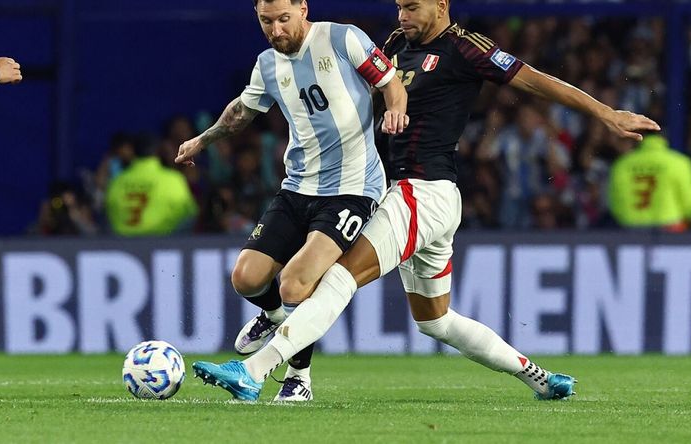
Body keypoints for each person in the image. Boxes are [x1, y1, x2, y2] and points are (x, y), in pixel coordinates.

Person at [192, 0, 661, 402]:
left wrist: (605, 113)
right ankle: (538, 378)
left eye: (413, 6)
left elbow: (534, 80)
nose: (403, 15)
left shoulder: (466, 48)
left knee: (337, 276)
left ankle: (254, 373)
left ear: (442, 4)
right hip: (410, 195)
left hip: (423, 190)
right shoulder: (398, 44)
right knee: (435, 321)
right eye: (399, 6)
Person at [174, 0, 408, 400]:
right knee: (246, 278)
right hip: (298, 187)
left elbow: (391, 83)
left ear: (303, 8)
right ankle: (275, 317)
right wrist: (203, 138)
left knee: (295, 281)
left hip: (353, 189)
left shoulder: (342, 39)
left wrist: (395, 112)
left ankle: (299, 379)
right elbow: (240, 113)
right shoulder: (267, 64)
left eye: (284, 19)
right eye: (267, 21)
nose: (277, 30)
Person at [107, 135, 199, 236]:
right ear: (158, 152)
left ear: (133, 152)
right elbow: (191, 213)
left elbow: (109, 213)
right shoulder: (173, 179)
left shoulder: (117, 181)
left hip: (122, 243)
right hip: (162, 244)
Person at [608, 133, 691, 232]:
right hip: (670, 227)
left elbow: (614, 200)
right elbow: (690, 200)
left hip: (630, 228)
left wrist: (625, 219)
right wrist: (687, 221)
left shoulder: (622, 164)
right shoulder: (679, 162)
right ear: (663, 138)